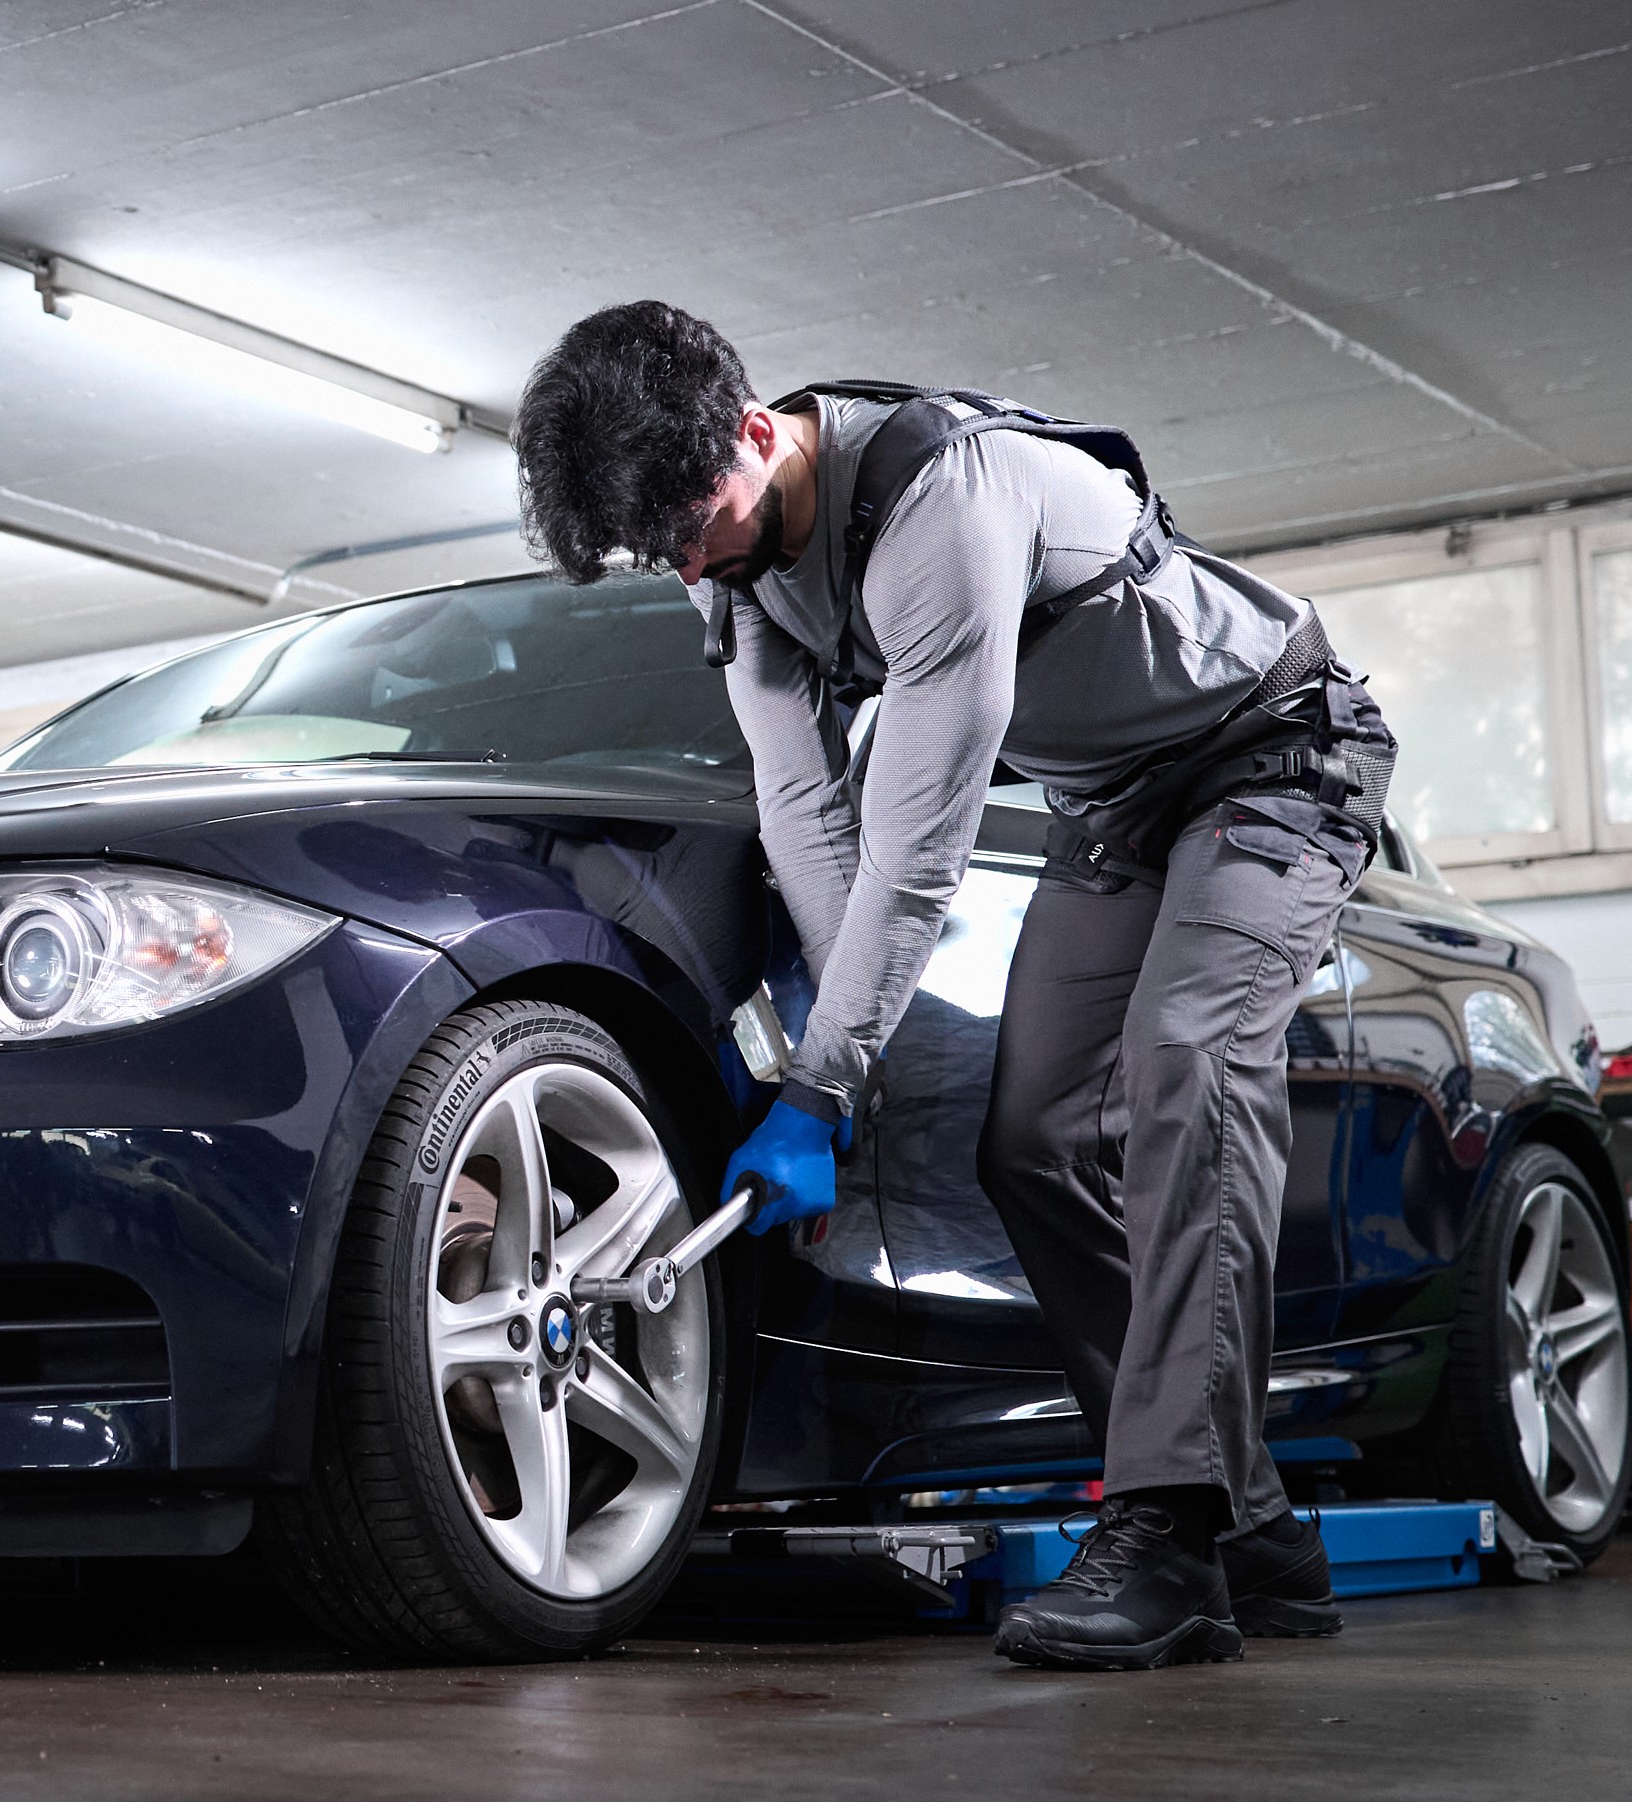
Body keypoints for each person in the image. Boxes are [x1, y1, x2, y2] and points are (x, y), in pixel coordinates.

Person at [513, 302, 1396, 1670]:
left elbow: (916, 859)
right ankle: (1251, 1528)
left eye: (699, 520)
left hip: (1275, 757)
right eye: (665, 549)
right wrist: (829, 1064)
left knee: (1188, 1067)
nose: (693, 560)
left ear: (757, 433)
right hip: (1116, 808)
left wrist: (823, 1086)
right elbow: (807, 811)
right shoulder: (727, 559)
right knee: (1033, 1144)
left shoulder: (943, 504)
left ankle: (1163, 1527)